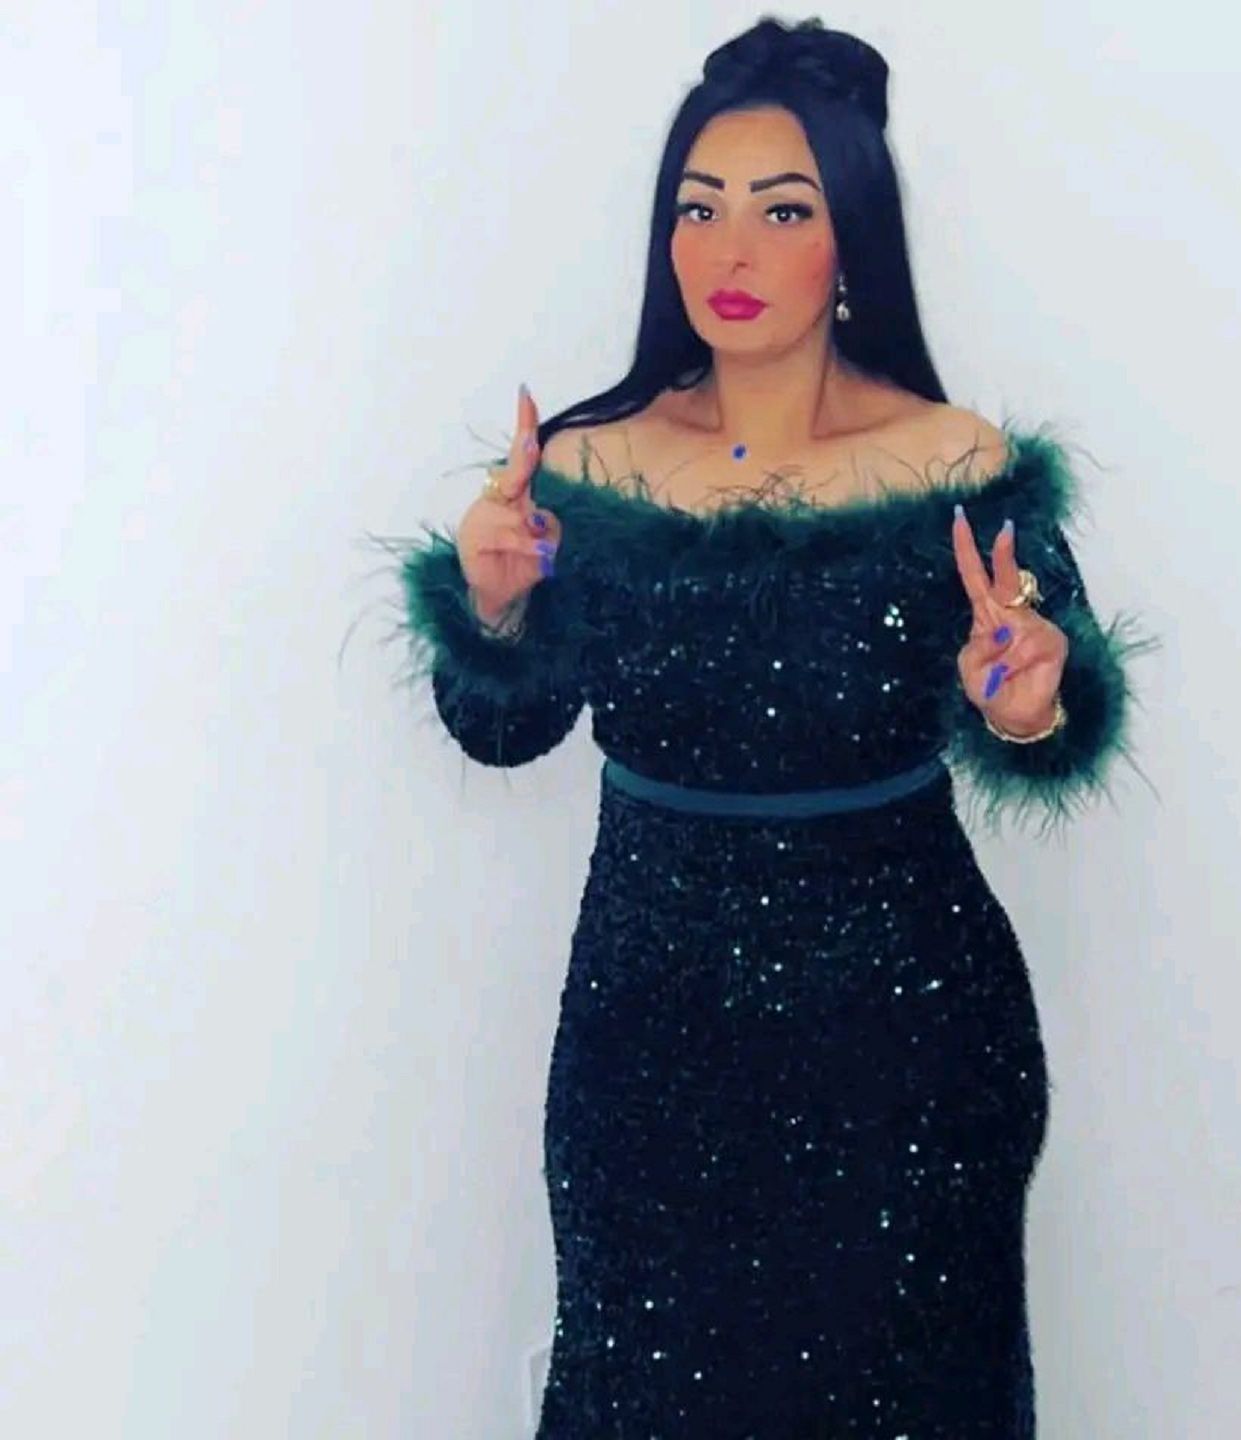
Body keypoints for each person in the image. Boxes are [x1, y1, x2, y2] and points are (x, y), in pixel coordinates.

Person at [393, 15, 1142, 1436]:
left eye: (782, 210)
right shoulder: (590, 466)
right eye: (699, 208)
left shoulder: (952, 462)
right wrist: (493, 608)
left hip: (907, 1040)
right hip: (647, 1042)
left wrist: (1029, 702)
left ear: (852, 240)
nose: (729, 249)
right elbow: (504, 733)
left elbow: (1054, 706)